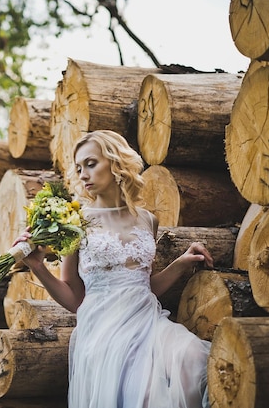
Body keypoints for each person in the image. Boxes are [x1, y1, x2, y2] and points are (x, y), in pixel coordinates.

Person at [13, 130, 214, 408]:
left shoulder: (147, 220)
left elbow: (142, 285)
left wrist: (181, 264)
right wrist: (37, 266)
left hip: (148, 322)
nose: (83, 174)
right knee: (144, 397)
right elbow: (75, 298)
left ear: (116, 162)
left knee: (196, 360)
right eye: (79, 167)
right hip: (103, 331)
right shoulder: (76, 221)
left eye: (91, 164)